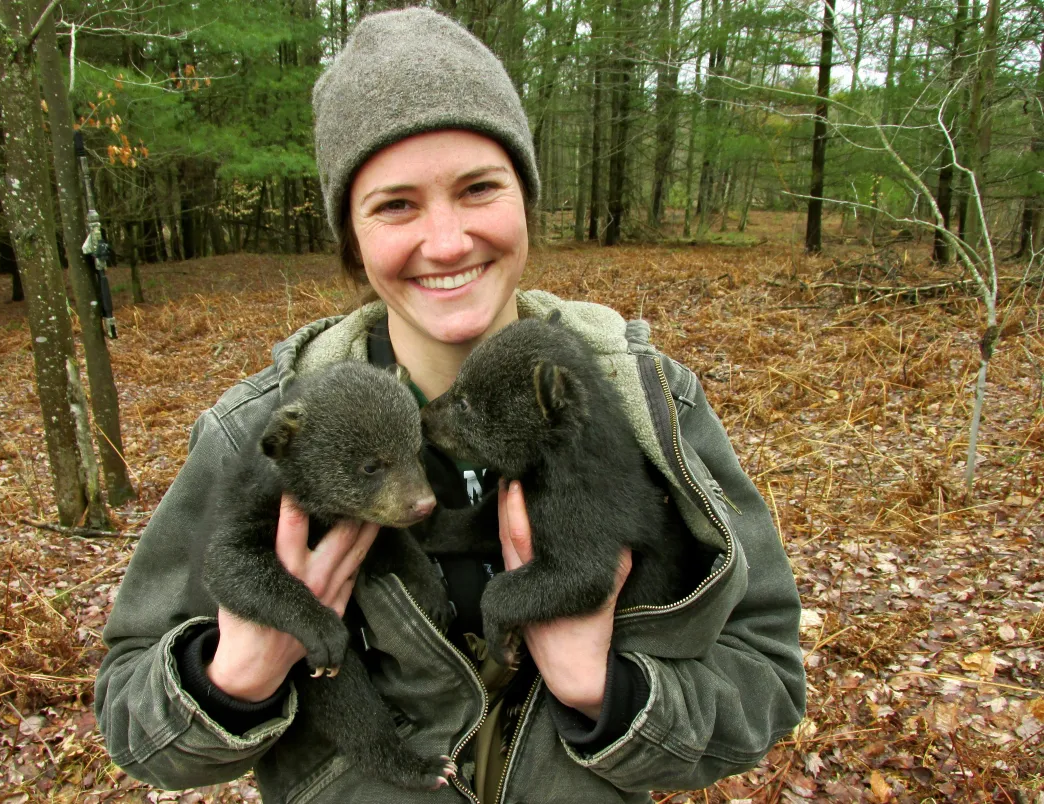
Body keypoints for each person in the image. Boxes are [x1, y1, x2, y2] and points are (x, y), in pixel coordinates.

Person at [94, 9, 806, 803]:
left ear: (526, 200)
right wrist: (236, 679)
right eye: (395, 205)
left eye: (479, 188)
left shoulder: (646, 408)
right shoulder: (270, 433)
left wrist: (606, 696)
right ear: (351, 237)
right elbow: (134, 721)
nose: (445, 241)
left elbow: (767, 678)